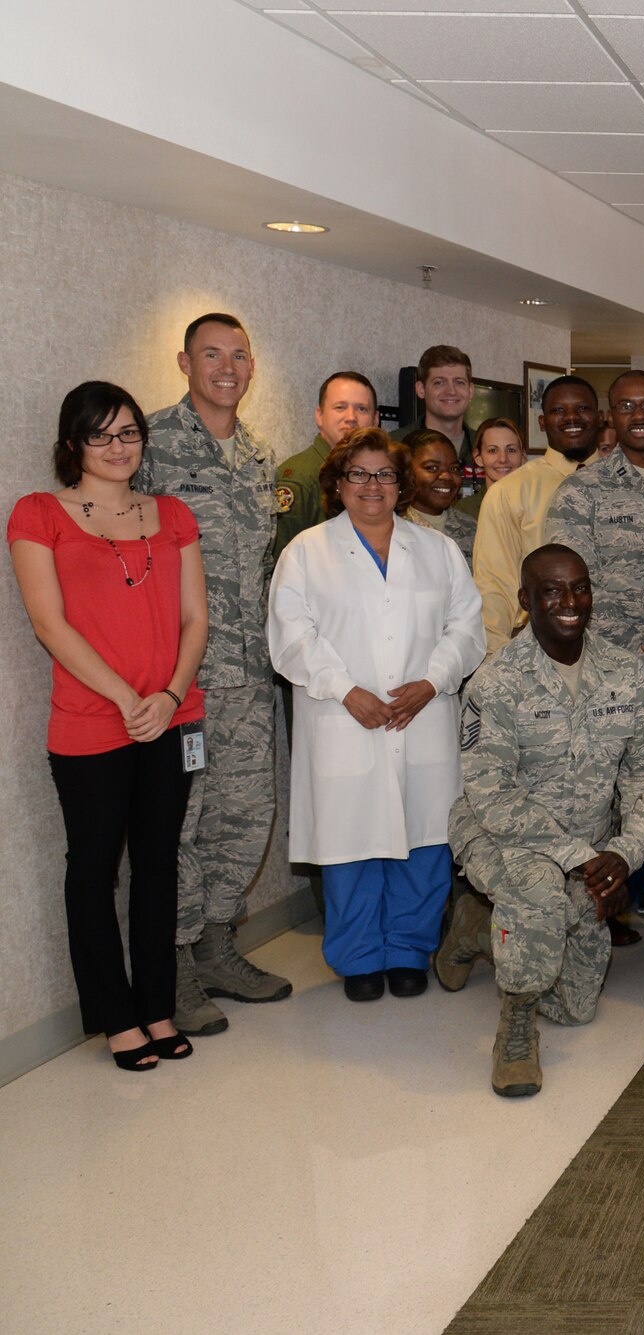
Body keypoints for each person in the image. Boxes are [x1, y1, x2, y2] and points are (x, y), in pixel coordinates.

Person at [9, 382, 208, 1070]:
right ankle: (114, 1016)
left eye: (129, 433)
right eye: (102, 435)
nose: (119, 447)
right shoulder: (39, 514)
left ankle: (156, 1005)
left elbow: (195, 619)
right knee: (93, 869)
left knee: (159, 863)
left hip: (174, 716)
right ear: (73, 445)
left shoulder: (174, 513)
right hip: (93, 722)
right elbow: (48, 622)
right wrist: (128, 697)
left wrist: (170, 692)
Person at [449, 545, 644, 1097]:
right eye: (551, 591)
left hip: (591, 841)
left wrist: (624, 853)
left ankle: (478, 930)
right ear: (526, 601)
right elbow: (493, 794)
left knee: (575, 1009)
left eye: (580, 588)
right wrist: (582, 859)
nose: (569, 602)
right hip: (499, 833)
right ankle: (517, 1029)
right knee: (539, 895)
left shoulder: (624, 672)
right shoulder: (496, 682)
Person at [268, 429, 484, 1000]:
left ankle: (410, 948)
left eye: (384, 475)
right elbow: (291, 636)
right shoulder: (306, 552)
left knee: (425, 839)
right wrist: (344, 690)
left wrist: (433, 681)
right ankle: (359, 956)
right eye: (358, 475)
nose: (372, 485)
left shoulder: (436, 550)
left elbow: (467, 626)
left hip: (424, 713)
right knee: (350, 845)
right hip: (344, 717)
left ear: (401, 485)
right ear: (338, 485)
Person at [138, 312, 289, 1034]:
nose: (227, 368)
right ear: (184, 362)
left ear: (252, 366)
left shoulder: (259, 458)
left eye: (238, 355)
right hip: (177, 676)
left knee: (246, 814)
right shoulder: (149, 444)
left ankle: (217, 945)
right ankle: (171, 968)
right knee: (179, 822)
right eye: (211, 355)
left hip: (248, 676)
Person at [539, 369, 644, 947]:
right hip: (611, 683)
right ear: (612, 416)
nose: (639, 415)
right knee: (601, 808)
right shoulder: (582, 492)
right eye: (626, 405)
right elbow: (563, 600)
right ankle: (584, 929)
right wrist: (623, 664)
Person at [471, 375, 600, 654]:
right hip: (540, 648)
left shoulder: (623, 485)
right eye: (558, 410)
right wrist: (496, 657)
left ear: (599, 417)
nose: (571, 417)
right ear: (542, 422)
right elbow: (494, 583)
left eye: (582, 408)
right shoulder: (510, 492)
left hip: (621, 649)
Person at [274, 371, 378, 558]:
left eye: (362, 409)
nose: (351, 417)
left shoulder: (381, 478)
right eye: (340, 407)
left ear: (376, 420)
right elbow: (282, 559)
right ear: (319, 416)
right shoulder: (299, 478)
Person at [402, 430, 477, 562]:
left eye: (454, 469)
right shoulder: (391, 528)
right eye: (432, 468)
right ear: (406, 472)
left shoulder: (473, 529)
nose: (446, 476)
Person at [396, 345, 474, 460]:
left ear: (470, 391)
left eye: (459, 382)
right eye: (439, 383)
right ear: (421, 389)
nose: (451, 391)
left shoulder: (487, 445)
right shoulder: (394, 446)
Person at [466, 416, 526, 515]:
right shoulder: (464, 511)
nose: (503, 459)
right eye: (493, 450)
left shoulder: (540, 507)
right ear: (478, 458)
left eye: (511, 450)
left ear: (523, 456)